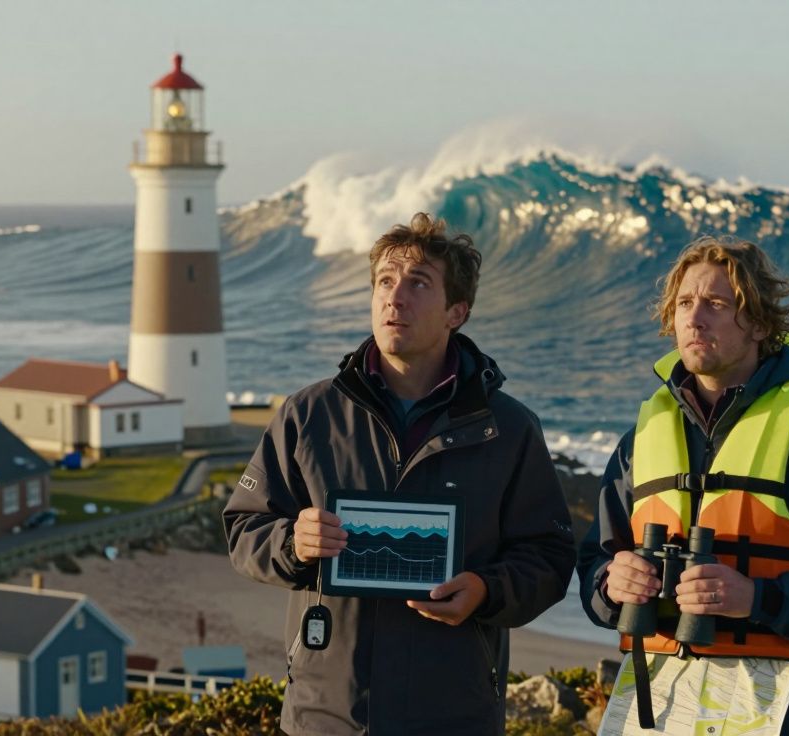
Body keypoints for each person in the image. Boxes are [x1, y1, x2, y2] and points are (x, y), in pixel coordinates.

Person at [224, 213, 575, 735]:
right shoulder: (308, 414)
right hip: (327, 715)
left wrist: (486, 589)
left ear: (457, 311)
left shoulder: (509, 428)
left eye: (418, 284)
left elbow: (548, 555)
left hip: (455, 714)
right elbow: (243, 529)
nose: (395, 297)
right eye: (385, 281)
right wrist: (292, 542)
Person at [577, 235, 789, 734]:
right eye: (685, 303)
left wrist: (758, 599)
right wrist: (610, 584)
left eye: (715, 303)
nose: (694, 317)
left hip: (783, 709)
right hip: (657, 708)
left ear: (756, 321)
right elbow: (594, 564)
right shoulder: (639, 442)